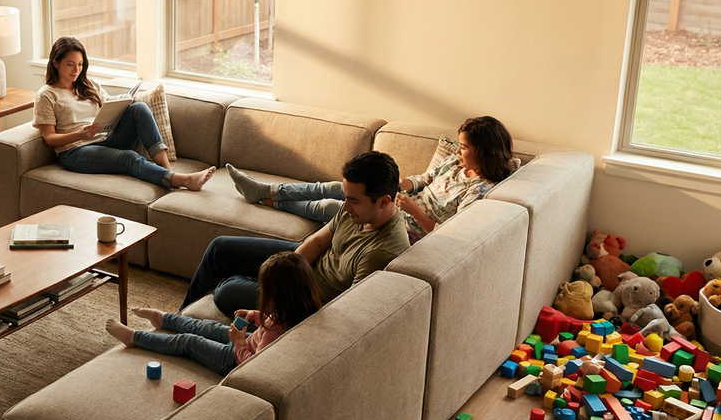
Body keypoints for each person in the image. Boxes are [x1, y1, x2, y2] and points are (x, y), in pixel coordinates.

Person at [182, 150, 411, 317]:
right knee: (220, 248)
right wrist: (284, 273)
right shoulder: (356, 210)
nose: (345, 206)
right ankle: (181, 316)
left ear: (383, 202)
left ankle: (245, 286)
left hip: (309, 299)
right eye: (345, 197)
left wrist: (281, 296)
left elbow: (343, 312)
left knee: (226, 291)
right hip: (307, 266)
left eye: (353, 200)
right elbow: (319, 242)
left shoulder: (381, 252)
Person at [225, 116, 516, 244]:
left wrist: (413, 209)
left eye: (465, 146)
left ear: (483, 151)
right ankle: (267, 190)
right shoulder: (456, 161)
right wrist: (406, 184)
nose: (459, 150)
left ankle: (267, 199)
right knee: (335, 188)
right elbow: (427, 178)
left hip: (406, 226)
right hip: (397, 200)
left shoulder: (480, 192)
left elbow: (450, 236)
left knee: (333, 208)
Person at [33, 37, 215, 190]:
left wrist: (127, 101)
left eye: (80, 64)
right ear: (55, 63)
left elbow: (108, 105)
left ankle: (166, 170)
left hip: (105, 141)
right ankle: (181, 180)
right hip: (75, 151)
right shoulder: (47, 95)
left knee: (139, 108)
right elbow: (49, 138)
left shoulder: (88, 85)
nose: (76, 70)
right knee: (129, 157)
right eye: (70, 65)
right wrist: (79, 135)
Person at [105, 252, 321, 376]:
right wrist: (255, 315)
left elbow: (252, 364)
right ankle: (163, 319)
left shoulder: (276, 334)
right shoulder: (290, 311)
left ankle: (135, 338)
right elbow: (271, 321)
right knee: (207, 326)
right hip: (247, 342)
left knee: (189, 342)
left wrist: (238, 343)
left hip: (233, 359)